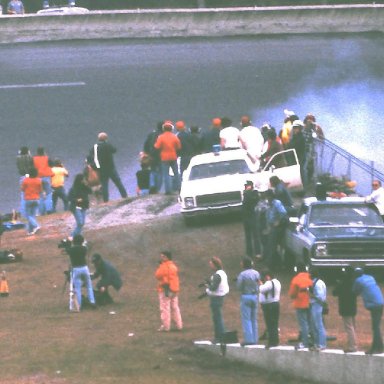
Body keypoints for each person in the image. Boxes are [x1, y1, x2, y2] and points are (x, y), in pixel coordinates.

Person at [88, 132, 127, 203]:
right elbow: (114, 150)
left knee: (104, 184)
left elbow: (90, 155)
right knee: (118, 182)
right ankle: (124, 195)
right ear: (106, 138)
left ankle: (106, 200)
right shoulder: (108, 145)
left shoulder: (95, 146)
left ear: (98, 139)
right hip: (111, 167)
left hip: (101, 169)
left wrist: (95, 166)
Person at [352, 267, 384, 354]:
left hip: (374, 304)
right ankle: (377, 347)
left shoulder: (358, 280)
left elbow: (354, 292)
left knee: (375, 327)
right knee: (376, 326)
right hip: (380, 301)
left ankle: (378, 348)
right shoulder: (370, 277)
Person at [154, 251, 183, 332]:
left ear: (166, 257)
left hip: (165, 289)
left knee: (165, 308)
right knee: (175, 308)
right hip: (174, 290)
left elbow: (157, 275)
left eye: (163, 256)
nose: (161, 258)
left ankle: (166, 326)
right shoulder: (173, 266)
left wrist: (160, 266)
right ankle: (179, 325)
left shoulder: (163, 266)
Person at [67, 234, 96, 311]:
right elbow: (86, 245)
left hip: (76, 269)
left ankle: (78, 305)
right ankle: (92, 301)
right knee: (89, 286)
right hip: (84, 268)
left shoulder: (71, 250)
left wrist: (69, 242)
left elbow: (67, 249)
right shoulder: (84, 249)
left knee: (77, 288)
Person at [332, 266, 358, 353]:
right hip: (353, 306)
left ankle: (352, 346)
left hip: (345, 307)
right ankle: (353, 343)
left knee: (349, 327)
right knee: (352, 326)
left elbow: (335, 292)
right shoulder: (354, 282)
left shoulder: (343, 283)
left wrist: (338, 283)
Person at [236, 257, 260, 346]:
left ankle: (249, 339)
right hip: (254, 296)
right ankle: (255, 338)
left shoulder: (242, 274)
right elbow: (258, 283)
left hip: (246, 296)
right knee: (254, 318)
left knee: (246, 319)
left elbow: (239, 286)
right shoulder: (256, 273)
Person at [288, 262, 313, 350]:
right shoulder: (310, 277)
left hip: (300, 304)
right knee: (311, 323)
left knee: (304, 324)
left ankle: (305, 342)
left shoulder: (296, 279)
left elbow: (292, 294)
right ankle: (312, 340)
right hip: (311, 303)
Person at [205, 256, 229, 343]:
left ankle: (219, 337)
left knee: (217, 318)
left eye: (211, 264)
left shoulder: (217, 275)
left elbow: (213, 288)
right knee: (218, 317)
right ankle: (220, 336)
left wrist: (207, 287)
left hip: (216, 298)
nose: (210, 266)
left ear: (215, 265)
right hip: (221, 296)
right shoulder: (222, 273)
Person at [154, 120, 181, 195]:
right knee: (176, 173)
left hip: (164, 158)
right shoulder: (174, 137)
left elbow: (157, 147)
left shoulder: (161, 137)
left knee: (166, 174)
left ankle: (168, 190)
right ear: (171, 129)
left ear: (163, 129)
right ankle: (179, 188)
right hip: (173, 156)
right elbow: (179, 147)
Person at [264, 189, 288, 270]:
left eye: (268, 196)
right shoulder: (268, 204)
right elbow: (268, 217)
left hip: (279, 227)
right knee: (266, 242)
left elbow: (283, 213)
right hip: (272, 226)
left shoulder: (277, 203)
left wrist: (278, 222)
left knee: (272, 244)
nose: (267, 198)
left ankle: (270, 265)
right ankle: (278, 262)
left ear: (271, 196)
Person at [259, 269, 281, 348]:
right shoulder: (277, 282)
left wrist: (261, 284)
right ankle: (275, 340)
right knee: (275, 323)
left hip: (269, 305)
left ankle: (272, 341)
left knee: (270, 324)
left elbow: (261, 290)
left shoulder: (269, 283)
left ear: (268, 276)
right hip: (276, 303)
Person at [67, 173, 92, 238]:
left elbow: (90, 192)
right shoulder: (73, 189)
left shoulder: (85, 187)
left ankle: (79, 237)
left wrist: (87, 185)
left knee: (82, 223)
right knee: (80, 223)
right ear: (80, 180)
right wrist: (76, 200)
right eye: (83, 179)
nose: (84, 180)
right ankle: (72, 236)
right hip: (75, 207)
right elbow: (69, 198)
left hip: (83, 206)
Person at [241, 180, 261, 259]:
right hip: (246, 217)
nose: (245, 187)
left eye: (247, 185)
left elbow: (253, 200)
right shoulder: (246, 193)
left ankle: (257, 252)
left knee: (255, 235)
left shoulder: (254, 193)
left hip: (253, 216)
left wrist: (247, 192)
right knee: (248, 236)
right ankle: (249, 252)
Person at [143, 121, 163, 193]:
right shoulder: (162, 135)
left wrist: (147, 153)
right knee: (161, 172)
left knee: (153, 171)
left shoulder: (151, 134)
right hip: (161, 156)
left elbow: (146, 144)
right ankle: (157, 189)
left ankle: (152, 185)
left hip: (152, 155)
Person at [309, 268, 327, 351]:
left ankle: (321, 344)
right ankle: (317, 343)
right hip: (316, 305)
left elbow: (320, 297)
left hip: (317, 305)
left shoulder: (317, 284)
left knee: (319, 325)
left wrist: (311, 295)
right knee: (315, 325)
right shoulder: (317, 282)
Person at [21, 168, 42, 236]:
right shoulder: (38, 180)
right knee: (32, 216)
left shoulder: (26, 180)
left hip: (28, 199)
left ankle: (36, 225)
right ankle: (30, 231)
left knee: (28, 216)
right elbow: (40, 190)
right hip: (36, 199)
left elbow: (22, 189)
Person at [33, 147, 54, 215]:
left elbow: (32, 168)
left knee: (40, 195)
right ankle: (49, 209)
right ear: (43, 151)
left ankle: (41, 212)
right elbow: (52, 164)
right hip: (46, 177)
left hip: (38, 178)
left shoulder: (34, 159)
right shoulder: (47, 158)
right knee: (48, 194)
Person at [16, 146, 34, 218]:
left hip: (23, 177)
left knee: (23, 195)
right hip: (30, 176)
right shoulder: (29, 157)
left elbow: (18, 166)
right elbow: (32, 163)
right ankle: (32, 213)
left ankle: (24, 214)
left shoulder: (18, 158)